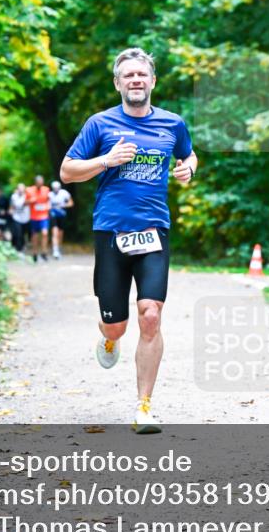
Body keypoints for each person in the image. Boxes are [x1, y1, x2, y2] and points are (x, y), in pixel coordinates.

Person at [60, 47, 197, 434]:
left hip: (155, 231)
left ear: (153, 81)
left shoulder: (172, 124)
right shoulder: (100, 125)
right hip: (111, 232)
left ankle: (144, 407)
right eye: (128, 75)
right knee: (116, 326)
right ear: (118, 83)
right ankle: (108, 339)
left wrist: (188, 169)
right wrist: (107, 160)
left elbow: (189, 156)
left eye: (142, 74)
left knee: (151, 314)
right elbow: (68, 172)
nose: (136, 80)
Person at [25, 175, 51, 262]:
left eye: (42, 182)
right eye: (39, 183)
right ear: (36, 183)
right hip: (34, 217)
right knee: (35, 236)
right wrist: (30, 201)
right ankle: (35, 253)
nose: (40, 184)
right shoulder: (29, 190)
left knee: (44, 233)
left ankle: (44, 252)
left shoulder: (46, 189)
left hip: (44, 216)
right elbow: (25, 202)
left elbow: (49, 200)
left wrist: (48, 206)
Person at [48, 180, 74, 259]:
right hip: (53, 215)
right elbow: (46, 205)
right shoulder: (49, 195)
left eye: (57, 188)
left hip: (62, 215)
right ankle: (55, 250)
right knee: (54, 232)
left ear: (59, 187)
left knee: (60, 233)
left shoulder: (64, 193)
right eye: (54, 188)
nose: (56, 189)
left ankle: (58, 248)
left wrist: (63, 205)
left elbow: (71, 203)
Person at [10, 183, 31, 252]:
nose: (21, 190)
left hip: (26, 218)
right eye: (19, 189)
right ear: (17, 189)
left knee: (24, 233)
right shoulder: (14, 196)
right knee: (18, 233)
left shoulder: (27, 196)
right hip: (17, 218)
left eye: (22, 189)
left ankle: (23, 246)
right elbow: (15, 205)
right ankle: (19, 248)